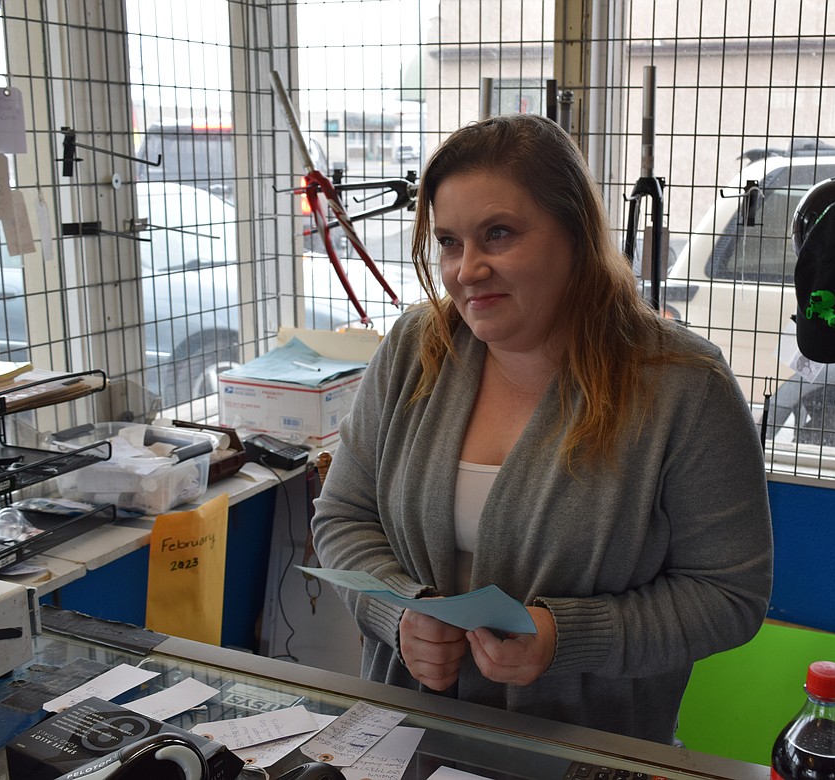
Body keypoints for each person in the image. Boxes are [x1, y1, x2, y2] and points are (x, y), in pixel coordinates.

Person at [310, 113, 774, 744]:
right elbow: (342, 518)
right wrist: (396, 612)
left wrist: (564, 639)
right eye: (449, 242)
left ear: (575, 236)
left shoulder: (683, 387)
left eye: (497, 234)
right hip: (408, 735)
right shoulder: (415, 350)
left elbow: (728, 595)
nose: (467, 269)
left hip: (588, 748)